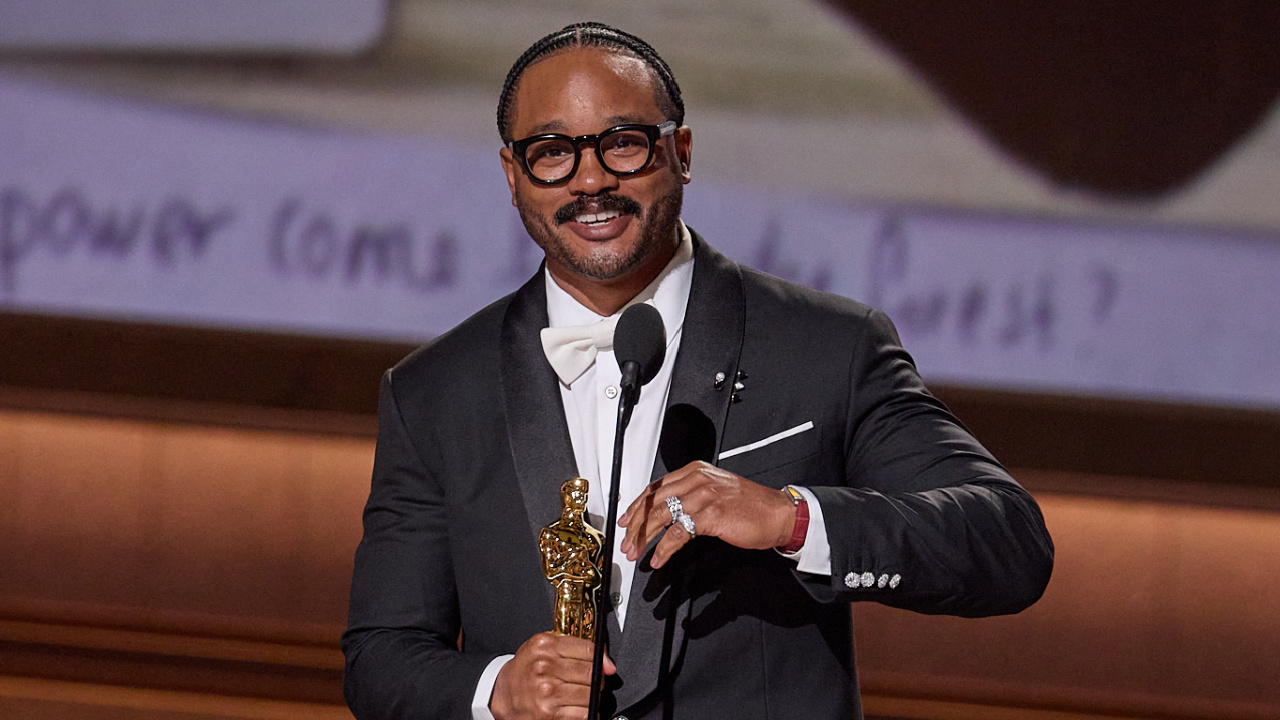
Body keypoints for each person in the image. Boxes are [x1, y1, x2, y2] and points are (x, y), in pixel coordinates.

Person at [343, 22, 1054, 720]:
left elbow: (1009, 544)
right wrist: (497, 687)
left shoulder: (827, 347)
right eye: (553, 152)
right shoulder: (433, 391)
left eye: (623, 144)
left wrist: (792, 518)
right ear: (513, 174)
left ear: (680, 151)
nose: (591, 180)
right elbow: (382, 659)